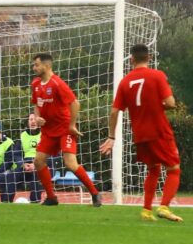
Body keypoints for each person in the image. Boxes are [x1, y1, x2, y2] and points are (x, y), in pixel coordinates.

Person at [100, 44, 183, 222]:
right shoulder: (157, 75)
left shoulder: (125, 82)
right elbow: (170, 102)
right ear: (149, 58)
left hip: (140, 134)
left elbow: (114, 111)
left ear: (131, 60)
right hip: (159, 131)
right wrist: (157, 105)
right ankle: (164, 207)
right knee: (174, 169)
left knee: (153, 169)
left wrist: (111, 136)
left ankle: (146, 210)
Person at [31, 53, 101, 206]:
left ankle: (95, 194)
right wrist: (37, 118)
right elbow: (37, 104)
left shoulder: (57, 83)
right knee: (38, 161)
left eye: (36, 65)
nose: (34, 68)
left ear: (47, 66)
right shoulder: (35, 84)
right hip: (48, 131)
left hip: (64, 129)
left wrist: (71, 125)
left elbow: (75, 103)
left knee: (70, 163)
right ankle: (51, 197)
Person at [2, 113, 46, 203]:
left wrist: (36, 165)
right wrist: (22, 164)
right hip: (25, 165)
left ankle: (35, 202)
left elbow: (51, 154)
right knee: (11, 175)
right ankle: (6, 203)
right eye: (30, 119)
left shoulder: (45, 134)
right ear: (27, 122)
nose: (33, 121)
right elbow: (16, 154)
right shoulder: (22, 135)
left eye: (35, 119)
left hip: (41, 164)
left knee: (37, 176)